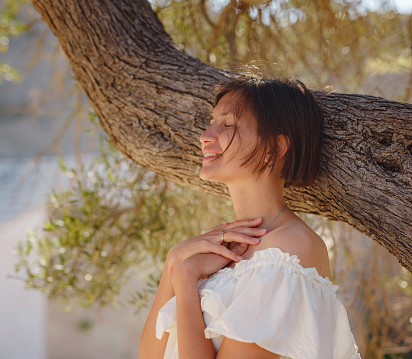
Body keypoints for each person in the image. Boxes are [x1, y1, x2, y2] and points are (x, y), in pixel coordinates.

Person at [139, 73, 361, 359]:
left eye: (228, 124)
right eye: (212, 123)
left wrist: (186, 277)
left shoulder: (291, 251)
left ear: (274, 148)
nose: (205, 136)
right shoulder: (217, 246)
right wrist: (173, 262)